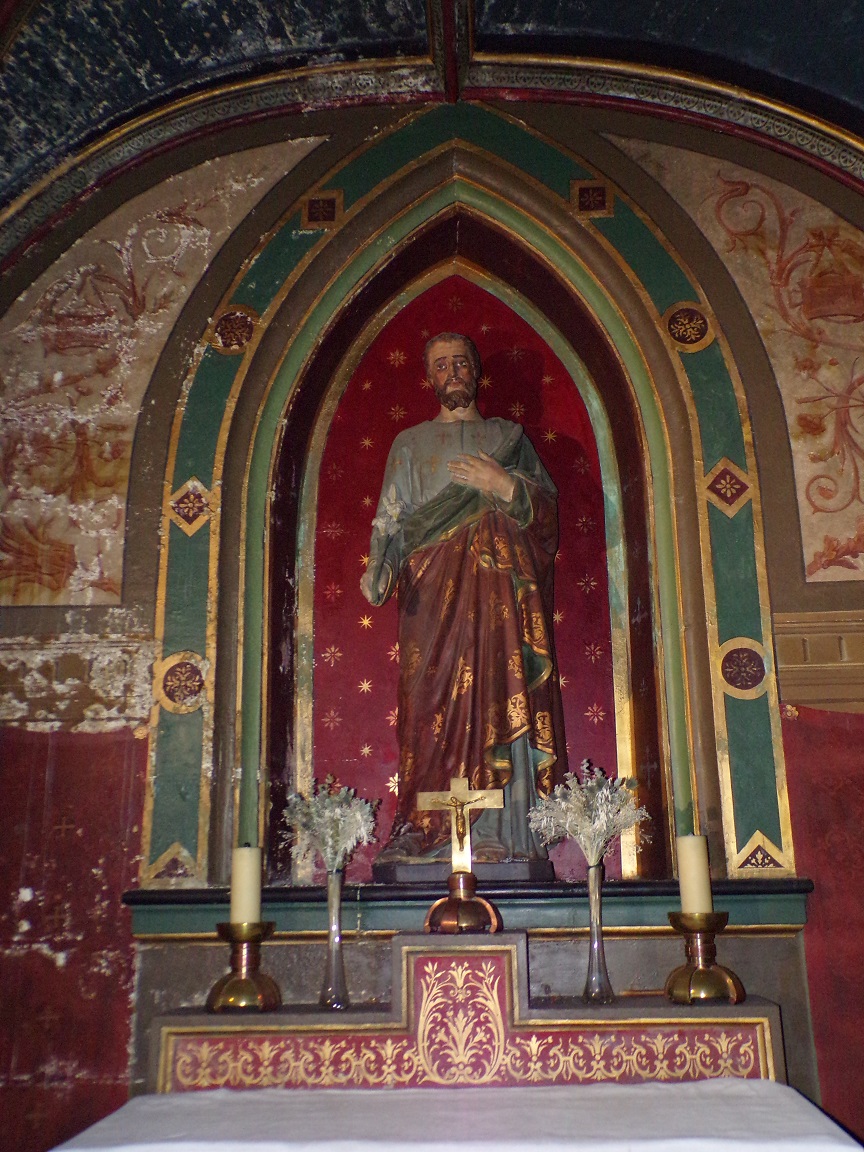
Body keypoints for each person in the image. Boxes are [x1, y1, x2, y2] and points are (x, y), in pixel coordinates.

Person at [361, 332, 567, 862]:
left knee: (499, 684)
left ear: (477, 372)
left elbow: (548, 525)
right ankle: (422, 824)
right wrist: (377, 566)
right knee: (427, 702)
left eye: (461, 363)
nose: (452, 372)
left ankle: (500, 832)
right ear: (428, 378)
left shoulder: (508, 437)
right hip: (429, 601)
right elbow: (389, 519)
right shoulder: (408, 443)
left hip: (497, 598)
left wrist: (505, 487)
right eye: (440, 365)